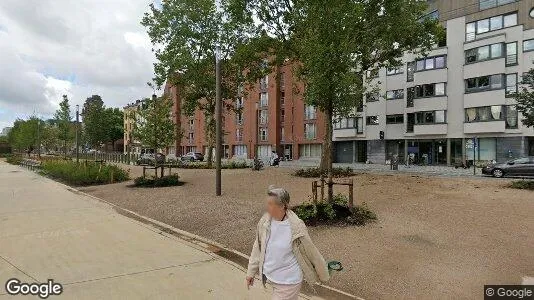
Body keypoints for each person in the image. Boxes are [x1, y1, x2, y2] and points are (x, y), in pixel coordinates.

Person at [246, 186, 329, 300]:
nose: (267, 207)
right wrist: (251, 272)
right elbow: (258, 247)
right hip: (271, 276)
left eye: (271, 204)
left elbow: (311, 252)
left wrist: (323, 273)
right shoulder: (265, 221)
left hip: (288, 281)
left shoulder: (296, 227)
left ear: (283, 206)